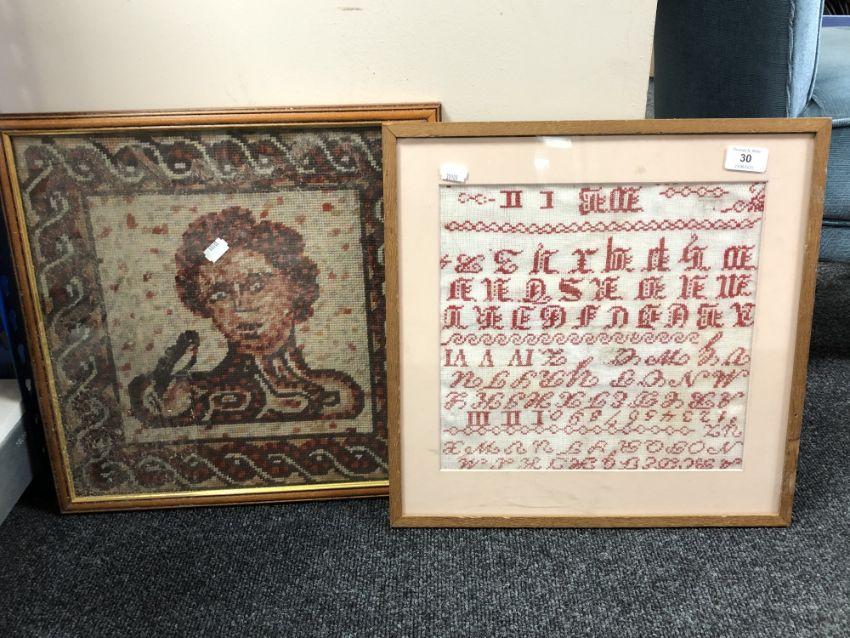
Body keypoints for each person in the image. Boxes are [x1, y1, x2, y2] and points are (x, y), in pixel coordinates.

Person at [129, 206, 364, 427]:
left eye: (256, 286)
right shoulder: (187, 395)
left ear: (294, 286)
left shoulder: (338, 392)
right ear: (204, 306)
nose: (240, 307)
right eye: (220, 294)